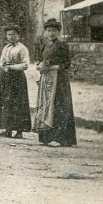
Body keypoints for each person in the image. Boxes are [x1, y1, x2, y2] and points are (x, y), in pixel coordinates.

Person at [35, 19, 77, 147]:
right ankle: (46, 137)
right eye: (48, 31)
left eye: (54, 31)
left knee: (60, 106)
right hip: (47, 79)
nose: (51, 33)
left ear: (58, 32)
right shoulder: (45, 45)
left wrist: (53, 67)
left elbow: (67, 64)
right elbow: (41, 60)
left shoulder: (62, 45)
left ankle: (62, 138)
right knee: (47, 106)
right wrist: (40, 65)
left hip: (59, 80)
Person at [0, 27, 31, 139]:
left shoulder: (22, 48)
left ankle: (19, 131)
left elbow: (25, 64)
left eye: (13, 34)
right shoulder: (6, 47)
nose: (10, 36)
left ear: (18, 35)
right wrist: (1, 65)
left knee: (18, 103)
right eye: (8, 34)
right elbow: (1, 61)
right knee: (6, 101)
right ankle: (7, 129)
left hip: (17, 78)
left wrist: (11, 67)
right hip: (6, 77)